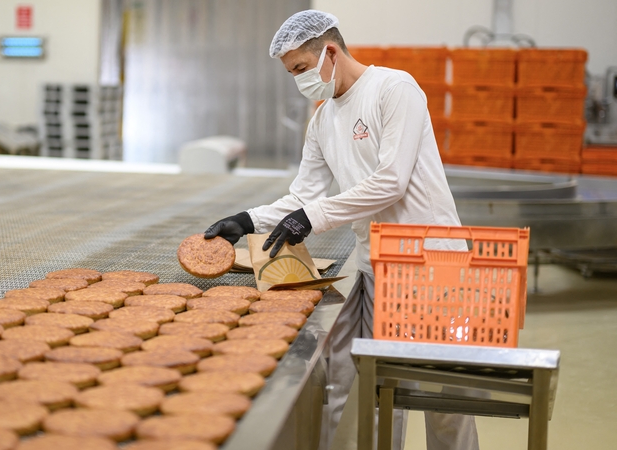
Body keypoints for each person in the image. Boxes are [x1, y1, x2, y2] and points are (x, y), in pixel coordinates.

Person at [204, 9, 480, 450]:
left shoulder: (394, 89)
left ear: (329, 52)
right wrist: (247, 220)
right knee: (380, 391)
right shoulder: (322, 119)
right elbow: (303, 195)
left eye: (299, 69)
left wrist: (315, 217)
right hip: (377, 266)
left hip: (433, 264)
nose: (298, 80)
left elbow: (391, 181)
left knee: (442, 395)